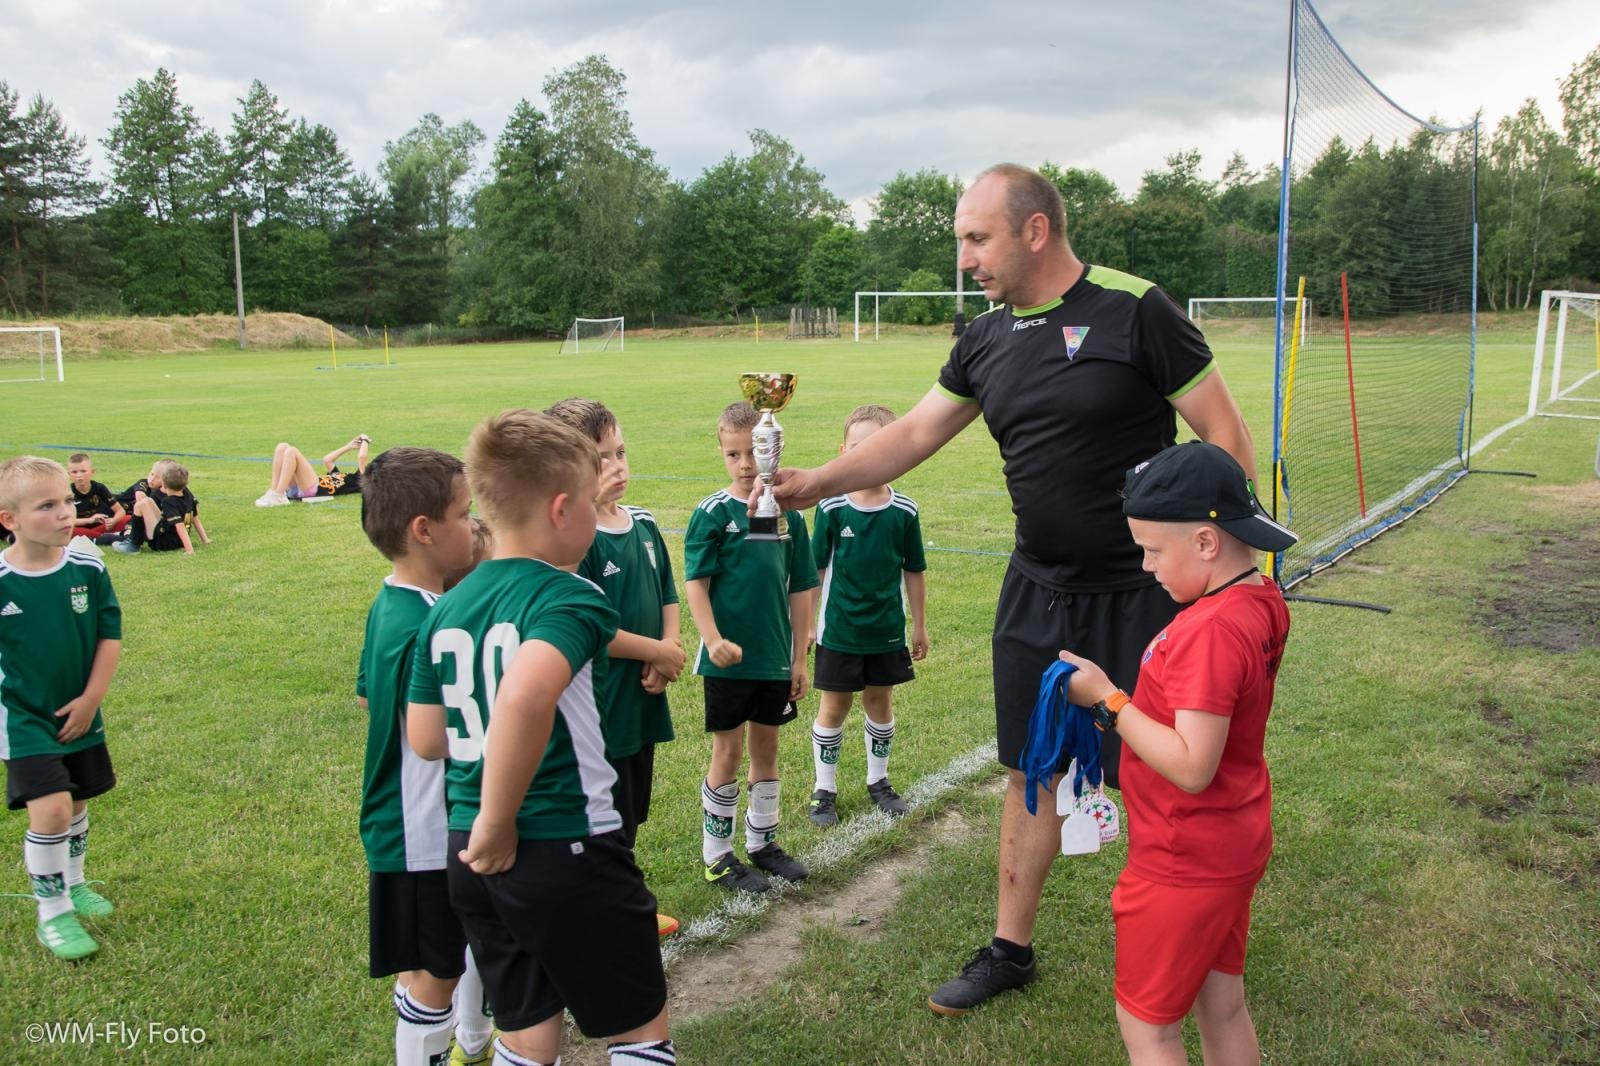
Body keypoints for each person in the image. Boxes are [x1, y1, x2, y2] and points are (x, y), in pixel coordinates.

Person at [765, 162, 1261, 1014]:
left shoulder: (1135, 309)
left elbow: (1222, 434)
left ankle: (1195, 936)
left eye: (976, 238)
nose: (965, 258)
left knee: (1166, 774)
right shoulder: (985, 338)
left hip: (1148, 594)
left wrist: (1227, 584)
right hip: (1039, 590)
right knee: (1032, 770)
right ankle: (1010, 949)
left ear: (1035, 231)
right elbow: (915, 433)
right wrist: (817, 482)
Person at [406, 410, 674, 1066]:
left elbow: (427, 738)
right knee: (640, 1031)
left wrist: (486, 823)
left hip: (469, 853)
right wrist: (503, 820)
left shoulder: (448, 605)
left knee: (528, 1035)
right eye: (588, 498)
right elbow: (526, 695)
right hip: (562, 844)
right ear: (561, 509)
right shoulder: (569, 595)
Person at [1058, 441, 1294, 1066]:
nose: (1145, 566)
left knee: (1148, 1029)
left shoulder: (1210, 631)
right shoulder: (1258, 597)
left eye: (1154, 550)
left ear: (1207, 544)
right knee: (1223, 1005)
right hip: (1232, 842)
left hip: (1183, 859)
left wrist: (1109, 700)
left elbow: (1193, 765)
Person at [355, 446, 496, 1065]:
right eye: (464, 514)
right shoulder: (434, 622)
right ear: (424, 530)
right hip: (422, 834)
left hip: (405, 824)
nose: (472, 526)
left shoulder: (392, 603)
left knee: (432, 963)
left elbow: (368, 700)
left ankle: (446, 1041)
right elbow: (430, 740)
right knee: (434, 975)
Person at [547, 399, 685, 937]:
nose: (619, 466)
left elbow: (667, 592)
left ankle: (620, 898)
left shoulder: (644, 525)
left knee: (630, 807)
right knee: (601, 812)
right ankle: (610, 909)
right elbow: (583, 627)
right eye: (602, 459)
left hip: (642, 698)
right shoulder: (572, 542)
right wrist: (652, 651)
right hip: (599, 706)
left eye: (621, 452)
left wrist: (668, 647)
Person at [684, 401, 819, 894]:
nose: (745, 465)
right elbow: (696, 583)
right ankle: (717, 855)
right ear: (722, 454)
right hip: (728, 662)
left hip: (773, 659)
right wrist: (713, 639)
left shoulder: (790, 516)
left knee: (767, 750)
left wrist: (799, 655)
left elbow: (800, 586)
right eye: (734, 454)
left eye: (753, 453)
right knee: (728, 751)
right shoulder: (713, 514)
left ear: (773, 451)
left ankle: (763, 844)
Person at [0, 456, 123, 960]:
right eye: (46, 506)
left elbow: (108, 633)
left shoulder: (88, 565)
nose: (65, 513)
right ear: (10, 519)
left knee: (75, 802)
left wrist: (92, 699)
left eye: (67, 502)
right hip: (21, 716)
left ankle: (73, 882)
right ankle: (53, 913)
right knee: (49, 808)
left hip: (80, 710)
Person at [806, 404, 929, 827]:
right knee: (834, 706)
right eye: (858, 448)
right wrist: (806, 623)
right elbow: (814, 571)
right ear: (844, 452)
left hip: (886, 632)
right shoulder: (831, 508)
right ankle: (824, 789)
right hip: (839, 631)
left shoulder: (904, 512)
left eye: (877, 447)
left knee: (879, 701)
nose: (867, 456)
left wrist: (920, 623)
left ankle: (879, 781)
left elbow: (914, 570)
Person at [110, 459, 210, 555]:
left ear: (163, 483)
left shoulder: (169, 501)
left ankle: (132, 545)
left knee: (140, 505)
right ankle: (131, 538)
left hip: (163, 542)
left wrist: (189, 550)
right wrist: (205, 539)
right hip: (176, 539)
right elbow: (195, 518)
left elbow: (179, 526)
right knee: (146, 501)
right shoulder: (187, 494)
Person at [255, 435, 370, 507]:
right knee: (282, 446)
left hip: (315, 489)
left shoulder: (359, 481)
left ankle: (278, 495)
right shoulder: (341, 476)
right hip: (300, 489)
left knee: (292, 451)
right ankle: (274, 491)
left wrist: (365, 440)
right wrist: (349, 446)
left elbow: (362, 457)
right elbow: (327, 459)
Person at [66, 453, 130, 540]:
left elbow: (120, 511)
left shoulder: (99, 488)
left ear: (92, 472)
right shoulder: (67, 493)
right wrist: (90, 520)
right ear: (68, 474)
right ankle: (109, 538)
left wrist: (113, 521)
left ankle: (100, 537)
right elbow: (67, 521)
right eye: (74, 472)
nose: (79, 475)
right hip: (80, 529)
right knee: (68, 530)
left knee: (129, 518)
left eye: (83, 471)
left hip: (101, 527)